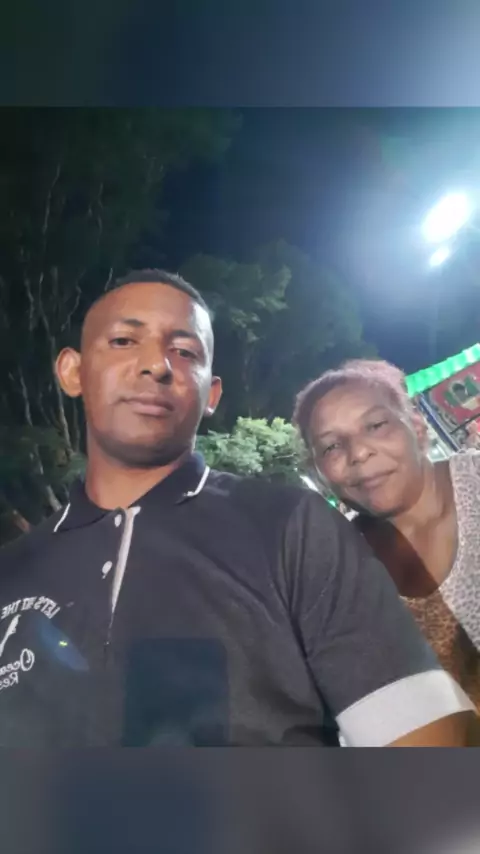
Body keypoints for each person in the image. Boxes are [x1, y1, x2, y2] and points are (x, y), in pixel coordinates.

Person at [0, 275, 473, 747]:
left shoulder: (295, 528)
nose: (156, 364)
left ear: (211, 394)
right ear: (73, 372)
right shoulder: (13, 572)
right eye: (124, 340)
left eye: (184, 351)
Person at [294, 358, 480, 715]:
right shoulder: (338, 572)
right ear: (317, 473)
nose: (358, 453)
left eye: (376, 425)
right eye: (331, 446)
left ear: (417, 426)